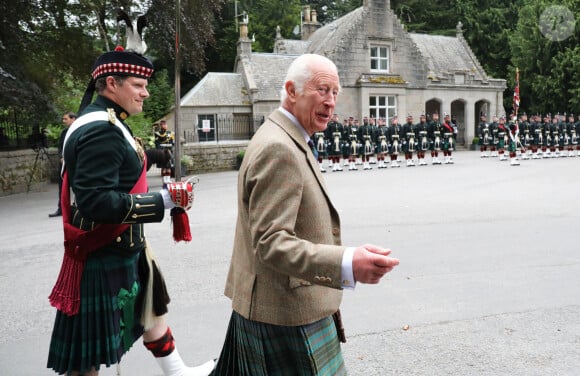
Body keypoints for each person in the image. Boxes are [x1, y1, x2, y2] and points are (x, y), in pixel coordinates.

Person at [211, 53, 399, 376]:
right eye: (322, 90)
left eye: (335, 93)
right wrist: (346, 262)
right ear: (291, 90)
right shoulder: (279, 148)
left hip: (281, 308)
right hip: (285, 315)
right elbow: (271, 243)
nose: (331, 102)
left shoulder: (287, 136)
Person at [46, 44, 214, 375]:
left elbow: (117, 174)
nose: (146, 93)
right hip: (104, 248)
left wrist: (156, 173)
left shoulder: (109, 121)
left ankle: (177, 371)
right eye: (138, 85)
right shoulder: (100, 129)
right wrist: (162, 201)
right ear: (111, 83)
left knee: (151, 307)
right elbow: (97, 201)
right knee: (87, 356)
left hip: (122, 245)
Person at [49, 112, 77, 218]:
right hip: (64, 165)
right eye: (63, 119)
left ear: (73, 118)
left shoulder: (80, 130)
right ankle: (61, 208)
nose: (63, 121)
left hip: (75, 165)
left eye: (65, 119)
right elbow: (60, 147)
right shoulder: (64, 132)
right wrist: (61, 157)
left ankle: (80, 207)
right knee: (62, 188)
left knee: (76, 187)